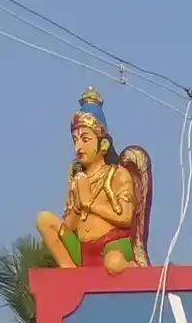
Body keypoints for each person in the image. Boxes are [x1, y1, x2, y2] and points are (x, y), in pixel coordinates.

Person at [37, 88, 146, 272]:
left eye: (85, 139)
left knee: (113, 263)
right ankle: (70, 272)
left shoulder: (117, 174)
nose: (78, 147)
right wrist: (77, 205)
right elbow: (69, 226)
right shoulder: (77, 178)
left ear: (102, 144)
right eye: (75, 140)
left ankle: (132, 267)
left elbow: (126, 218)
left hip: (111, 246)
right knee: (43, 220)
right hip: (83, 249)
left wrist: (90, 204)